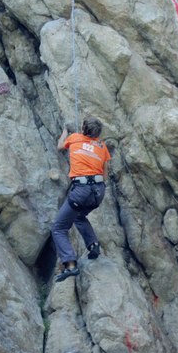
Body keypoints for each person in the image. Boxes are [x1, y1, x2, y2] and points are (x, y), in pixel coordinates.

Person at [52, 116, 111, 282]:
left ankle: (70, 265)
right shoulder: (102, 146)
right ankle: (93, 245)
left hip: (81, 190)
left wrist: (65, 132)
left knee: (59, 227)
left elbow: (60, 147)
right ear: (98, 134)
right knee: (78, 216)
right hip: (98, 192)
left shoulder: (75, 138)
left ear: (84, 129)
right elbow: (105, 173)